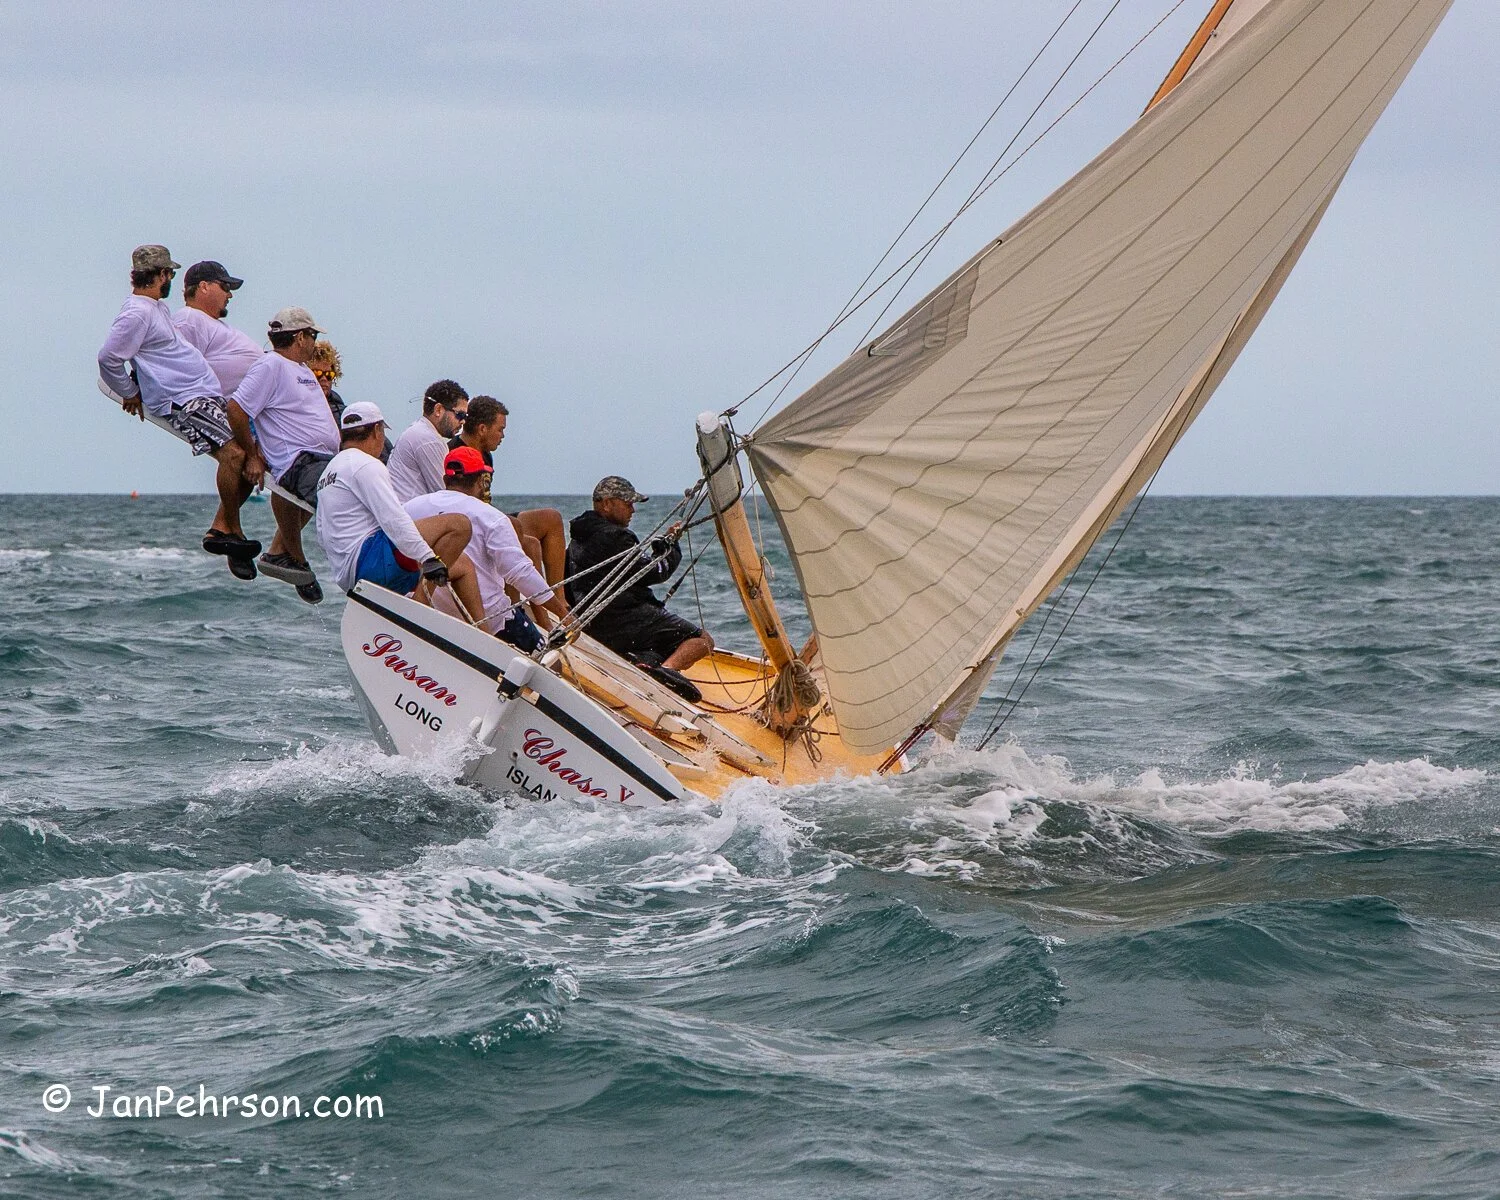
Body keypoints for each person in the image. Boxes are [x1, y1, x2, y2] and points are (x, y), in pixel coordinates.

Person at [97, 244, 262, 579]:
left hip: (201, 393)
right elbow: (108, 358)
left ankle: (221, 531)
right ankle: (231, 533)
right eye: (168, 272)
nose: (171, 278)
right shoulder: (137, 313)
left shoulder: (154, 308)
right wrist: (130, 392)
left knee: (248, 457)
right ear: (161, 275)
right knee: (234, 455)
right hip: (183, 399)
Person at [314, 402, 485, 618]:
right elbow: (393, 519)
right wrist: (427, 558)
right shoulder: (367, 465)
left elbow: (321, 535)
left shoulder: (327, 473)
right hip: (372, 565)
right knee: (459, 525)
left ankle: (483, 633)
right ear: (377, 430)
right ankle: (419, 607)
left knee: (462, 565)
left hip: (347, 576)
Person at [405, 447, 568, 650]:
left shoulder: (409, 509)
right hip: (490, 619)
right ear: (480, 481)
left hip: (434, 612)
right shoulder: (492, 518)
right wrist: (562, 613)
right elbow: (519, 573)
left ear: (445, 479)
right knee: (552, 664)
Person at [231, 307, 340, 603]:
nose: (315, 342)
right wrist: (253, 455)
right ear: (301, 336)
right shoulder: (272, 366)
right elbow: (237, 409)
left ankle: (283, 554)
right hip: (299, 461)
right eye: (313, 335)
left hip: (324, 458)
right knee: (345, 502)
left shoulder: (301, 368)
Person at [566, 476, 712, 672]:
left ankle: (643, 664)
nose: (633, 510)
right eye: (628, 504)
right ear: (607, 504)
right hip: (622, 620)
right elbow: (656, 572)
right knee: (702, 640)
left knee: (657, 646)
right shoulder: (616, 537)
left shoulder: (578, 538)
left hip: (595, 622)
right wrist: (670, 547)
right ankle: (666, 672)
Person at [448, 396, 567, 586]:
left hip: (489, 519)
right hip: (470, 525)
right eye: (500, 429)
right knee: (526, 541)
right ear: (482, 429)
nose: (502, 436)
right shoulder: (452, 453)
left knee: (551, 518)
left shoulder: (486, 456)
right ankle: (524, 606)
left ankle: (559, 598)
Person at [171, 261, 262, 395]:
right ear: (204, 287)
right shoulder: (189, 319)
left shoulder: (207, 321)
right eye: (225, 287)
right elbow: (181, 372)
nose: (230, 295)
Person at [307, 340, 392, 462]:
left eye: (329, 374)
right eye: (317, 373)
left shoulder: (344, 414)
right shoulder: (293, 409)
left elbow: (382, 448)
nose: (324, 379)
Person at [387, 379, 468, 502]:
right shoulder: (429, 439)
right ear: (438, 410)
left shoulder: (418, 431)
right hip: (411, 517)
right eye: (460, 415)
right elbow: (444, 494)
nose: (463, 421)